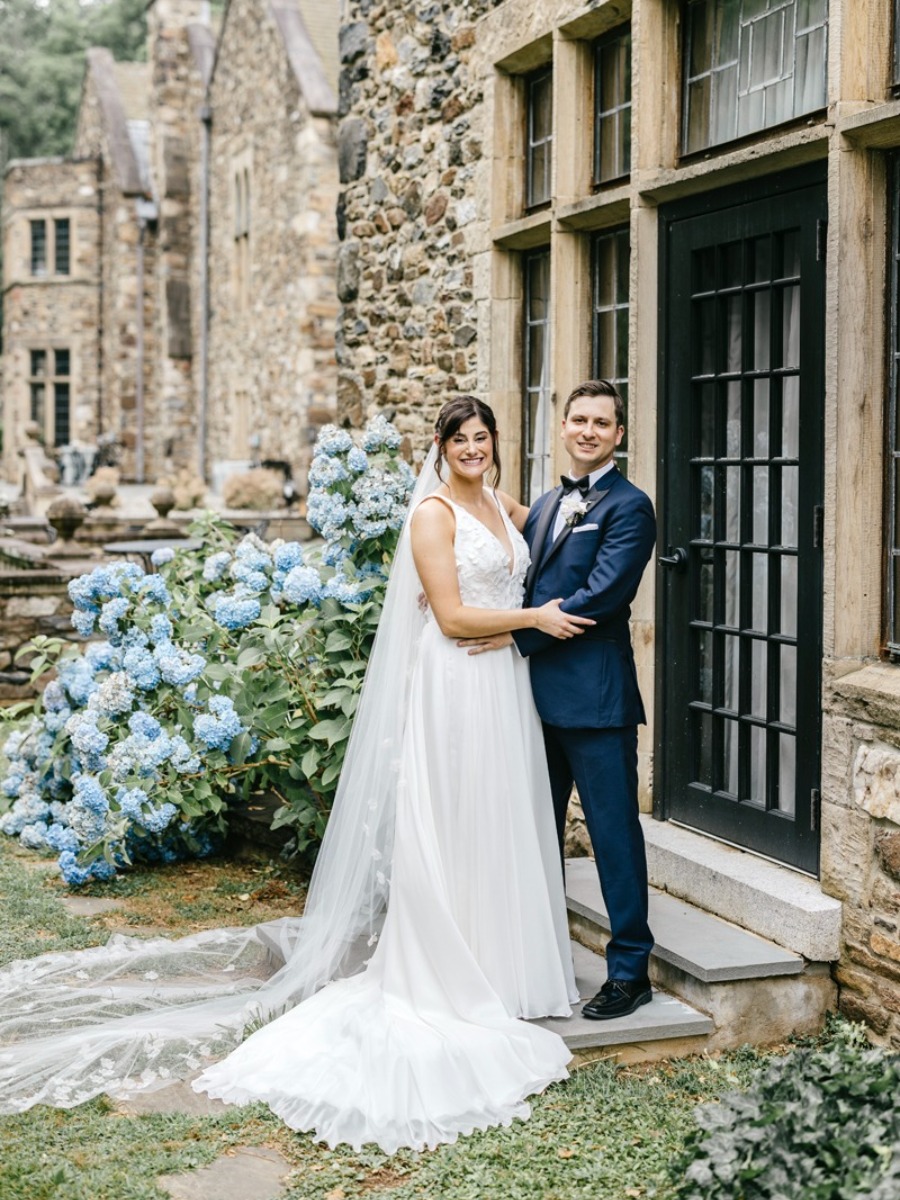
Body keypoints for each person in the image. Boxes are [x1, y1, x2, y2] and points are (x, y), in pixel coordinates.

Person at [0, 398, 591, 1155]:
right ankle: (454, 972)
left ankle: (505, 969)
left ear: (494, 444)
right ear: (438, 448)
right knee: (454, 818)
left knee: (496, 821)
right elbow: (446, 616)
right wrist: (531, 619)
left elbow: (538, 533)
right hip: (457, 686)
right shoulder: (434, 515)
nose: (473, 449)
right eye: (460, 440)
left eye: (483, 438)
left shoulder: (505, 506)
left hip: (503, 688)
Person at [461, 380, 657, 1021]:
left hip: (596, 703)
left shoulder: (631, 507)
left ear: (618, 434)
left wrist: (516, 634)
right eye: (579, 420)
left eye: (603, 422)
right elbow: (515, 565)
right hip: (530, 704)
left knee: (613, 837)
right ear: (564, 426)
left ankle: (630, 971)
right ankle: (534, 958)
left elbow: (600, 597)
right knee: (533, 835)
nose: (589, 431)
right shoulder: (548, 504)